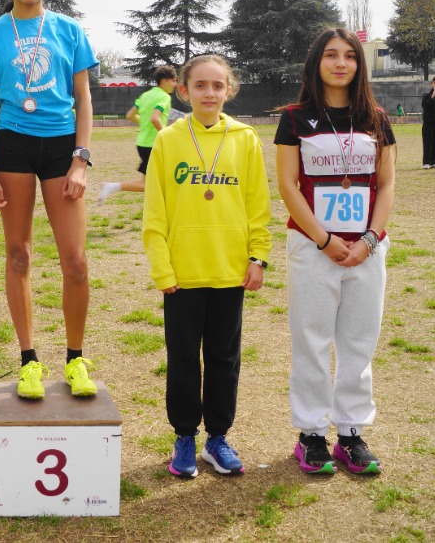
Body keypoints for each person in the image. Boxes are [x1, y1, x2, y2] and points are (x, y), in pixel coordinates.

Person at [0, 0, 98, 400]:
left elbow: (83, 98)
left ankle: (75, 359)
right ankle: (28, 361)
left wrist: (80, 159)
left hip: (62, 148)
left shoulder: (69, 30)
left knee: (75, 260)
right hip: (13, 145)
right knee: (18, 255)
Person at [142, 54, 271, 478]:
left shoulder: (245, 138)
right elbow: (155, 211)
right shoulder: (168, 140)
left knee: (224, 360)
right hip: (182, 275)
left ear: (229, 90)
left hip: (230, 272)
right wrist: (162, 268)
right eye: (200, 85)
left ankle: (217, 438)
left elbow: (257, 205)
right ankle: (184, 436)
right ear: (184, 90)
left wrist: (257, 256)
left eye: (217, 85)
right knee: (182, 360)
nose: (209, 93)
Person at [274, 27, 395, 475]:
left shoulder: (376, 118)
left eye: (349, 55)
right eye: (330, 55)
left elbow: (387, 184)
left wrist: (370, 240)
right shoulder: (295, 118)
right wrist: (324, 240)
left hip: (366, 249)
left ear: (359, 65)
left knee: (359, 340)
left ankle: (350, 432)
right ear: (316, 62)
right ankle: (310, 434)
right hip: (312, 247)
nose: (340, 63)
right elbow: (287, 185)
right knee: (311, 339)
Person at [98, 65, 175, 204]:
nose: (175, 84)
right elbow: (155, 118)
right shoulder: (164, 97)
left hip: (142, 144)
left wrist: (144, 122)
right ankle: (111, 187)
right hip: (154, 145)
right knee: (150, 184)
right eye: (173, 80)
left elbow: (130, 115)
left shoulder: (146, 95)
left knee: (152, 182)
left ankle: (111, 187)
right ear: (164, 81)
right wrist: (166, 135)